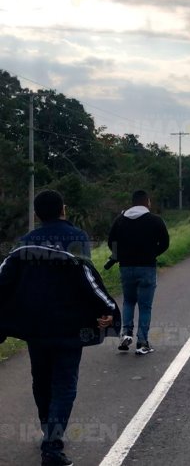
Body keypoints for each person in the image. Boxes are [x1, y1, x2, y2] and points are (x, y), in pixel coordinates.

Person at [0, 190, 120, 466]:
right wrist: (108, 311)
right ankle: (52, 448)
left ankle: (48, 430)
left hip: (35, 328)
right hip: (70, 327)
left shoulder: (23, 245)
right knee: (64, 385)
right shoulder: (76, 239)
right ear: (63, 210)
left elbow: (3, 284)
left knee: (41, 381)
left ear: (37, 214)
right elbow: (88, 280)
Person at [107, 190, 169, 355]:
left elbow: (111, 241)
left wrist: (119, 255)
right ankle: (142, 342)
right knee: (145, 306)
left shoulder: (120, 220)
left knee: (128, 301)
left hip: (126, 267)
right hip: (147, 267)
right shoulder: (155, 220)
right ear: (147, 202)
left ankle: (126, 334)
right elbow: (165, 242)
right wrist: (152, 253)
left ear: (133, 202)